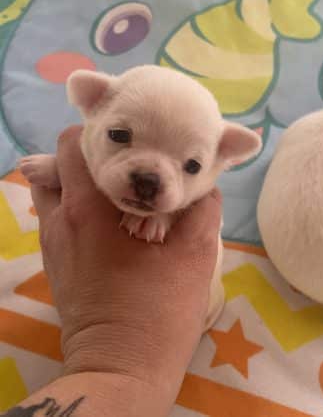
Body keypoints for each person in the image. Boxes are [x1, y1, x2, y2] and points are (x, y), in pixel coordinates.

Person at [4, 126, 222, 417]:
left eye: (190, 165)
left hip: (187, 306)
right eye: (121, 137)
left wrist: (165, 217)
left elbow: (190, 202)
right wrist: (120, 371)